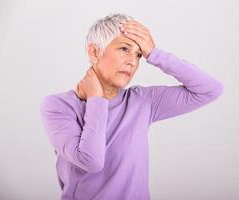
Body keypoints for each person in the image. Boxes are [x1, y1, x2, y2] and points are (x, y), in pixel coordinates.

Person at [39, 13, 224, 200]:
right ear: (94, 52)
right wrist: (96, 99)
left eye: (138, 55)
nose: (132, 62)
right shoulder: (58, 106)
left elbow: (210, 89)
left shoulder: (143, 101)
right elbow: (91, 161)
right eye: (124, 49)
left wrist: (154, 53)